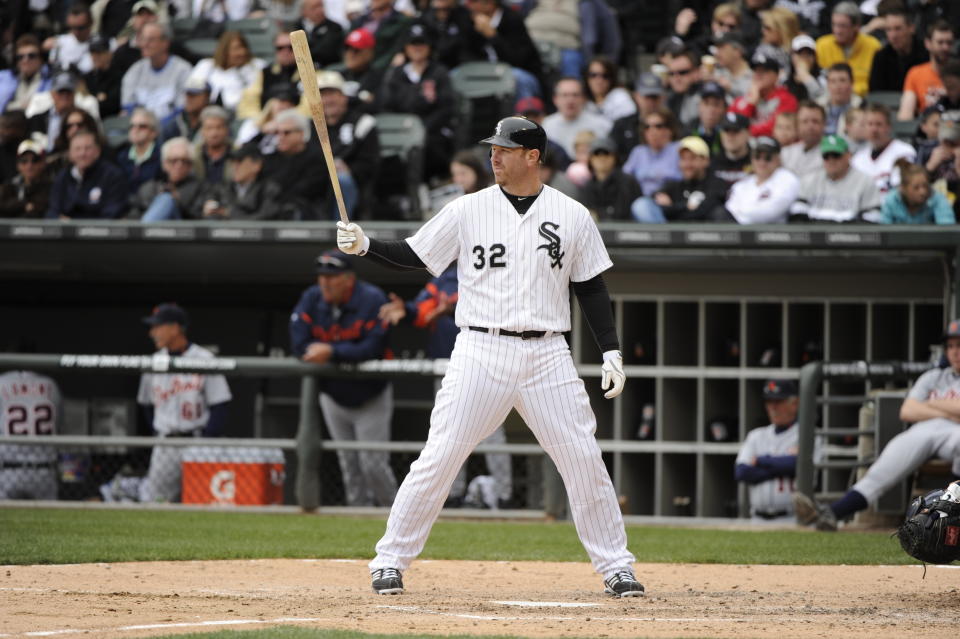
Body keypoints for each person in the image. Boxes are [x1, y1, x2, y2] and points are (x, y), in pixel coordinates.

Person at [336, 115, 642, 598]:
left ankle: (616, 566)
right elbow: (417, 255)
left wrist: (611, 351)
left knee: (583, 459)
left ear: (532, 156)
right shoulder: (468, 209)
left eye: (504, 149)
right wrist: (366, 245)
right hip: (481, 347)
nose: (493, 156)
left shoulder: (572, 213)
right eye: (492, 148)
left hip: (547, 354)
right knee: (440, 455)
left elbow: (591, 287)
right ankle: (389, 558)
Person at [795, 319, 960, 531]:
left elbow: (921, 408)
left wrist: (931, 403)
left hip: (954, 432)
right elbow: (907, 411)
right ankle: (834, 513)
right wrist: (950, 408)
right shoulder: (933, 377)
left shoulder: (933, 387)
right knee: (885, 466)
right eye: (951, 346)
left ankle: (955, 515)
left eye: (959, 345)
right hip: (925, 428)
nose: (955, 352)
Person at [378, 264, 513, 509]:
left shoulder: (495, 272)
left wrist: (452, 309)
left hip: (488, 363)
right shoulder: (444, 278)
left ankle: (504, 497)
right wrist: (407, 311)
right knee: (451, 432)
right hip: (447, 366)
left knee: (492, 434)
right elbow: (422, 309)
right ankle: (453, 495)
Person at [289, 251, 398, 508]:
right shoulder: (312, 298)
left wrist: (332, 352)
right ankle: (358, 516)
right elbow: (298, 343)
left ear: (349, 279)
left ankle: (395, 514)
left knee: (372, 465)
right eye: (322, 276)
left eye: (332, 277)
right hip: (334, 396)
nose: (324, 282)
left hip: (370, 395)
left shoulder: (371, 299)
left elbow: (373, 348)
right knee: (349, 464)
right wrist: (337, 352)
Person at [137, 303, 232, 503]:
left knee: (201, 503)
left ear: (175, 327)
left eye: (158, 326)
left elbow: (220, 406)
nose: (152, 332)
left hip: (197, 441)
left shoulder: (204, 358)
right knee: (157, 504)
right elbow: (146, 406)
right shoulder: (153, 362)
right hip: (165, 444)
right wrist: (158, 434)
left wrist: (205, 444)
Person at [378, 22, 456, 184]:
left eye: (421, 43)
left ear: (429, 46)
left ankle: (428, 184)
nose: (417, 48)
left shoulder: (439, 72)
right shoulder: (396, 74)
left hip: (431, 132)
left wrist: (422, 129)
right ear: (406, 47)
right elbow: (387, 105)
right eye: (413, 44)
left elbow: (446, 107)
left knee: (431, 146)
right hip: (400, 132)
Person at [736, 379, 818, 523]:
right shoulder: (756, 435)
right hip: (756, 519)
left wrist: (761, 461)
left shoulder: (808, 435)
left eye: (778, 402)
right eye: (769, 402)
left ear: (795, 404)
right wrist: (781, 465)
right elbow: (742, 472)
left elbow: (799, 466)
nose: (772, 407)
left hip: (793, 518)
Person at [314, 70, 380, 219]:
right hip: (317, 178)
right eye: (322, 95)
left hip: (353, 184)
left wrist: (349, 169)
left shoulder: (363, 123)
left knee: (340, 179)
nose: (327, 100)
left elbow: (371, 163)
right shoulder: (310, 126)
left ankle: (341, 229)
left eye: (332, 94)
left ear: (344, 97)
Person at [0, 363, 62, 500]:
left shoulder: (2, 381)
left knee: (5, 519)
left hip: (8, 470)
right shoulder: (50, 384)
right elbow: (59, 424)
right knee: (47, 519)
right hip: (44, 469)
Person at [789, 133, 881, 223]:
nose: (831, 160)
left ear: (848, 155)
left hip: (850, 235)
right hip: (816, 235)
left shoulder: (865, 181)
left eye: (836, 155)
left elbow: (872, 218)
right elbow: (797, 214)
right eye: (826, 156)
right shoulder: (810, 180)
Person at [461, 0, 544, 99]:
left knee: (518, 78)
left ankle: (526, 113)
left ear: (489, 3)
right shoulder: (470, 20)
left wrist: (493, 36)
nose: (468, 5)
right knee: (458, 75)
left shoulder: (512, 19)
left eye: (473, 1)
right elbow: (465, 53)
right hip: (486, 71)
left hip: (519, 72)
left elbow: (517, 60)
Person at [46, 129, 128, 220]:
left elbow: (113, 213)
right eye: (77, 149)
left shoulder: (113, 176)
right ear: (70, 153)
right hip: (65, 232)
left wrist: (75, 225)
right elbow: (52, 212)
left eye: (88, 148)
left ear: (97, 151)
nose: (82, 153)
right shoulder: (62, 177)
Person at [261, 110, 328, 219]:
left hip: (306, 213)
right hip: (271, 211)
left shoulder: (317, 158)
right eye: (277, 132)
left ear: (302, 133)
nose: (281, 137)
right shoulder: (270, 158)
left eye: (286, 132)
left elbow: (308, 190)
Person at [646, 135, 729, 223]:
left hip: (709, 235)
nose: (687, 164)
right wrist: (686, 206)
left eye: (692, 158)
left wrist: (672, 208)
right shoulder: (676, 185)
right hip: (674, 235)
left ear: (706, 161)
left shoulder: (717, 184)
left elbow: (702, 212)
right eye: (683, 159)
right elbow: (654, 197)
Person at [120, 22, 193, 120]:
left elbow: (182, 110)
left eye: (151, 40)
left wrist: (159, 128)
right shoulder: (135, 70)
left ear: (165, 43)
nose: (145, 44)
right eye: (143, 39)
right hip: (141, 126)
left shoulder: (183, 70)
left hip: (171, 129)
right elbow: (127, 107)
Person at [723, 136, 799, 224]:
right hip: (740, 234)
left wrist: (742, 212)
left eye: (768, 158)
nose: (762, 162)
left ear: (778, 159)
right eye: (757, 156)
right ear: (751, 159)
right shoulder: (741, 185)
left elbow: (772, 211)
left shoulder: (787, 179)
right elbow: (729, 211)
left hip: (773, 234)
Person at [132, 136, 210, 221]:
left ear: (190, 166)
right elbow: (134, 215)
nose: (179, 165)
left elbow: (201, 219)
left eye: (184, 161)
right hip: (153, 230)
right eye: (174, 160)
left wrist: (177, 202)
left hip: (183, 231)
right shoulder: (150, 187)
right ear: (164, 164)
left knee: (167, 199)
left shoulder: (201, 189)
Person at [187, 31, 266, 113]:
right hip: (208, 112)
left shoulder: (257, 66)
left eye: (244, 47)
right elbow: (192, 90)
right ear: (224, 51)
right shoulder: (206, 65)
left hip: (240, 113)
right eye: (236, 48)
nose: (242, 52)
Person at [814, 2, 881, 98]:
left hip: (863, 101)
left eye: (843, 26)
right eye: (834, 25)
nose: (837, 31)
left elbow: (877, 84)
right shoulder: (822, 45)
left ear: (856, 26)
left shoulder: (873, 46)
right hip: (829, 99)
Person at [200, 144, 284, 220]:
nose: (234, 166)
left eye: (239, 161)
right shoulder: (221, 188)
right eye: (233, 162)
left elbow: (265, 217)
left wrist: (228, 213)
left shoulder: (269, 189)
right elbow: (208, 213)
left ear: (257, 165)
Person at [729, 47, 798, 138]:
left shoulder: (787, 99)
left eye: (764, 71)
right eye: (756, 70)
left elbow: (776, 129)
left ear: (776, 76)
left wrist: (745, 132)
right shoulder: (742, 100)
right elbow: (731, 125)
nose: (758, 74)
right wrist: (750, 105)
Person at [851, 103, 917, 197]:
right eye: (870, 124)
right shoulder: (858, 158)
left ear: (888, 127)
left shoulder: (904, 152)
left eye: (879, 124)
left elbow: (902, 189)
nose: (874, 129)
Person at [235, 30, 301, 122]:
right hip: (267, 124)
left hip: (297, 124)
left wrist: (287, 118)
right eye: (280, 48)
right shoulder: (265, 73)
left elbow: (310, 107)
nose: (285, 52)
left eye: (291, 47)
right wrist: (262, 120)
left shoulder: (311, 73)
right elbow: (249, 102)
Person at [898, 20, 956, 121]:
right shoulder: (915, 73)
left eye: (949, 43)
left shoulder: (957, 73)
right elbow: (906, 114)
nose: (945, 47)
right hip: (926, 128)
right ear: (928, 44)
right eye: (940, 42)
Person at [542, 77, 612, 159]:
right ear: (555, 99)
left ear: (584, 98)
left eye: (575, 95)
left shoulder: (602, 124)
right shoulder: (547, 124)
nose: (570, 100)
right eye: (565, 95)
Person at [622, 106, 681, 201]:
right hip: (640, 199)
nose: (652, 131)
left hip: (670, 200)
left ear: (670, 129)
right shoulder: (638, 152)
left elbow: (685, 179)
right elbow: (624, 178)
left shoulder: (679, 149)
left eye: (658, 126)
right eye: (647, 127)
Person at [868, 3, 927, 93]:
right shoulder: (881, 57)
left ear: (911, 28)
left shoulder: (926, 54)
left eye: (898, 29)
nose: (893, 35)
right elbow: (876, 93)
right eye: (888, 29)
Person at [580, 136, 641, 221]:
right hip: (598, 231)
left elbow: (621, 214)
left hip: (628, 231)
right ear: (590, 159)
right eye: (597, 153)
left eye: (606, 153)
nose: (602, 158)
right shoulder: (588, 186)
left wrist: (598, 214)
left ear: (615, 157)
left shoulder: (627, 181)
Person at [609, 72, 664, 164]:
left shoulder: (671, 124)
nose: (650, 102)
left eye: (654, 97)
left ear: (662, 98)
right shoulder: (622, 125)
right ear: (636, 96)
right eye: (647, 97)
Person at [880, 162, 955, 224]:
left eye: (925, 186)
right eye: (916, 188)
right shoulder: (891, 200)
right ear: (903, 188)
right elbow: (884, 233)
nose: (923, 192)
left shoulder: (938, 199)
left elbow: (947, 230)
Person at [350, 0, 412, 73]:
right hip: (354, 65)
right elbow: (346, 46)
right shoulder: (359, 21)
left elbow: (395, 50)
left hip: (380, 69)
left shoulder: (402, 21)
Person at [0, 138, 53, 218]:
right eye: (24, 161)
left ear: (43, 163)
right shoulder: (10, 185)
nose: (29, 166)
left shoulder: (50, 186)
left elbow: (40, 207)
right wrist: (24, 205)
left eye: (35, 160)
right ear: (18, 165)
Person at [0, 34, 53, 114]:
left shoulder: (50, 80)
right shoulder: (6, 78)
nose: (25, 60)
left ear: (41, 59)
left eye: (31, 56)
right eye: (20, 57)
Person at [116, 106, 162, 197]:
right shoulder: (121, 156)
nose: (135, 130)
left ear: (154, 132)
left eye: (142, 126)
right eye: (132, 126)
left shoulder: (162, 156)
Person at [43, 3, 95, 74]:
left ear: (91, 23)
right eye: (73, 27)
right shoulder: (59, 42)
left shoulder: (102, 44)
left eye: (81, 28)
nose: (76, 32)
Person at [295, 0, 345, 69]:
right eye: (314, 7)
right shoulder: (297, 26)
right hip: (301, 68)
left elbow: (326, 51)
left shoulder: (334, 27)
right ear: (304, 11)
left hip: (328, 68)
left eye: (321, 6)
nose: (320, 10)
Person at [781, 101, 826, 179]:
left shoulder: (833, 154)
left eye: (815, 121)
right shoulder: (785, 153)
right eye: (805, 121)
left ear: (824, 125)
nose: (810, 126)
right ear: (797, 125)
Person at [584, 56, 635, 123]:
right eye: (593, 75)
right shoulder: (581, 100)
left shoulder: (620, 97)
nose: (599, 81)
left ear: (612, 78)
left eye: (605, 76)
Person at [160, 76, 211, 143]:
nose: (189, 99)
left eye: (194, 95)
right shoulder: (173, 122)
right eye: (187, 94)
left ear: (207, 97)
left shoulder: (216, 120)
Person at [816, 62, 861, 137]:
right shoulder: (817, 106)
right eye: (833, 81)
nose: (838, 86)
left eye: (842, 80)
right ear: (828, 85)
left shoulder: (861, 107)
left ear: (851, 83)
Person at [83, 35, 123, 118]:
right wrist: (99, 99)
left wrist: (94, 101)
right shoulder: (88, 77)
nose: (95, 56)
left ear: (109, 53)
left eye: (99, 52)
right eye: (92, 52)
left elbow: (112, 106)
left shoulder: (118, 76)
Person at [191, 105, 232, 185]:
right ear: (202, 131)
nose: (214, 133)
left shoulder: (237, 153)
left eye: (219, 127)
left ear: (227, 129)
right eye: (209, 128)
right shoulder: (193, 155)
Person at [711, 111, 753, 188]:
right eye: (726, 130)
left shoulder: (758, 161)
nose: (730, 136)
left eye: (735, 131)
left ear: (748, 134)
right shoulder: (713, 162)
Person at [685, 81, 726, 157]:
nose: (711, 110)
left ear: (724, 108)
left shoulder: (729, 130)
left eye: (716, 104)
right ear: (699, 106)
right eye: (706, 103)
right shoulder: (688, 130)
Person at [665, 48, 703, 129]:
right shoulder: (671, 99)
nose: (676, 78)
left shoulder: (708, 94)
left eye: (682, 72)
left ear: (696, 72)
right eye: (671, 74)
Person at [711, 30, 751, 99]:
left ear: (737, 51)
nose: (717, 53)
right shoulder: (716, 72)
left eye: (721, 48)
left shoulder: (753, 78)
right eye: (717, 48)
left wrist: (730, 88)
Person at [786, 34, 824, 103]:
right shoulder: (784, 78)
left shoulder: (823, 77)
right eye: (800, 53)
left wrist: (806, 77)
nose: (804, 58)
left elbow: (821, 98)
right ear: (792, 55)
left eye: (809, 54)